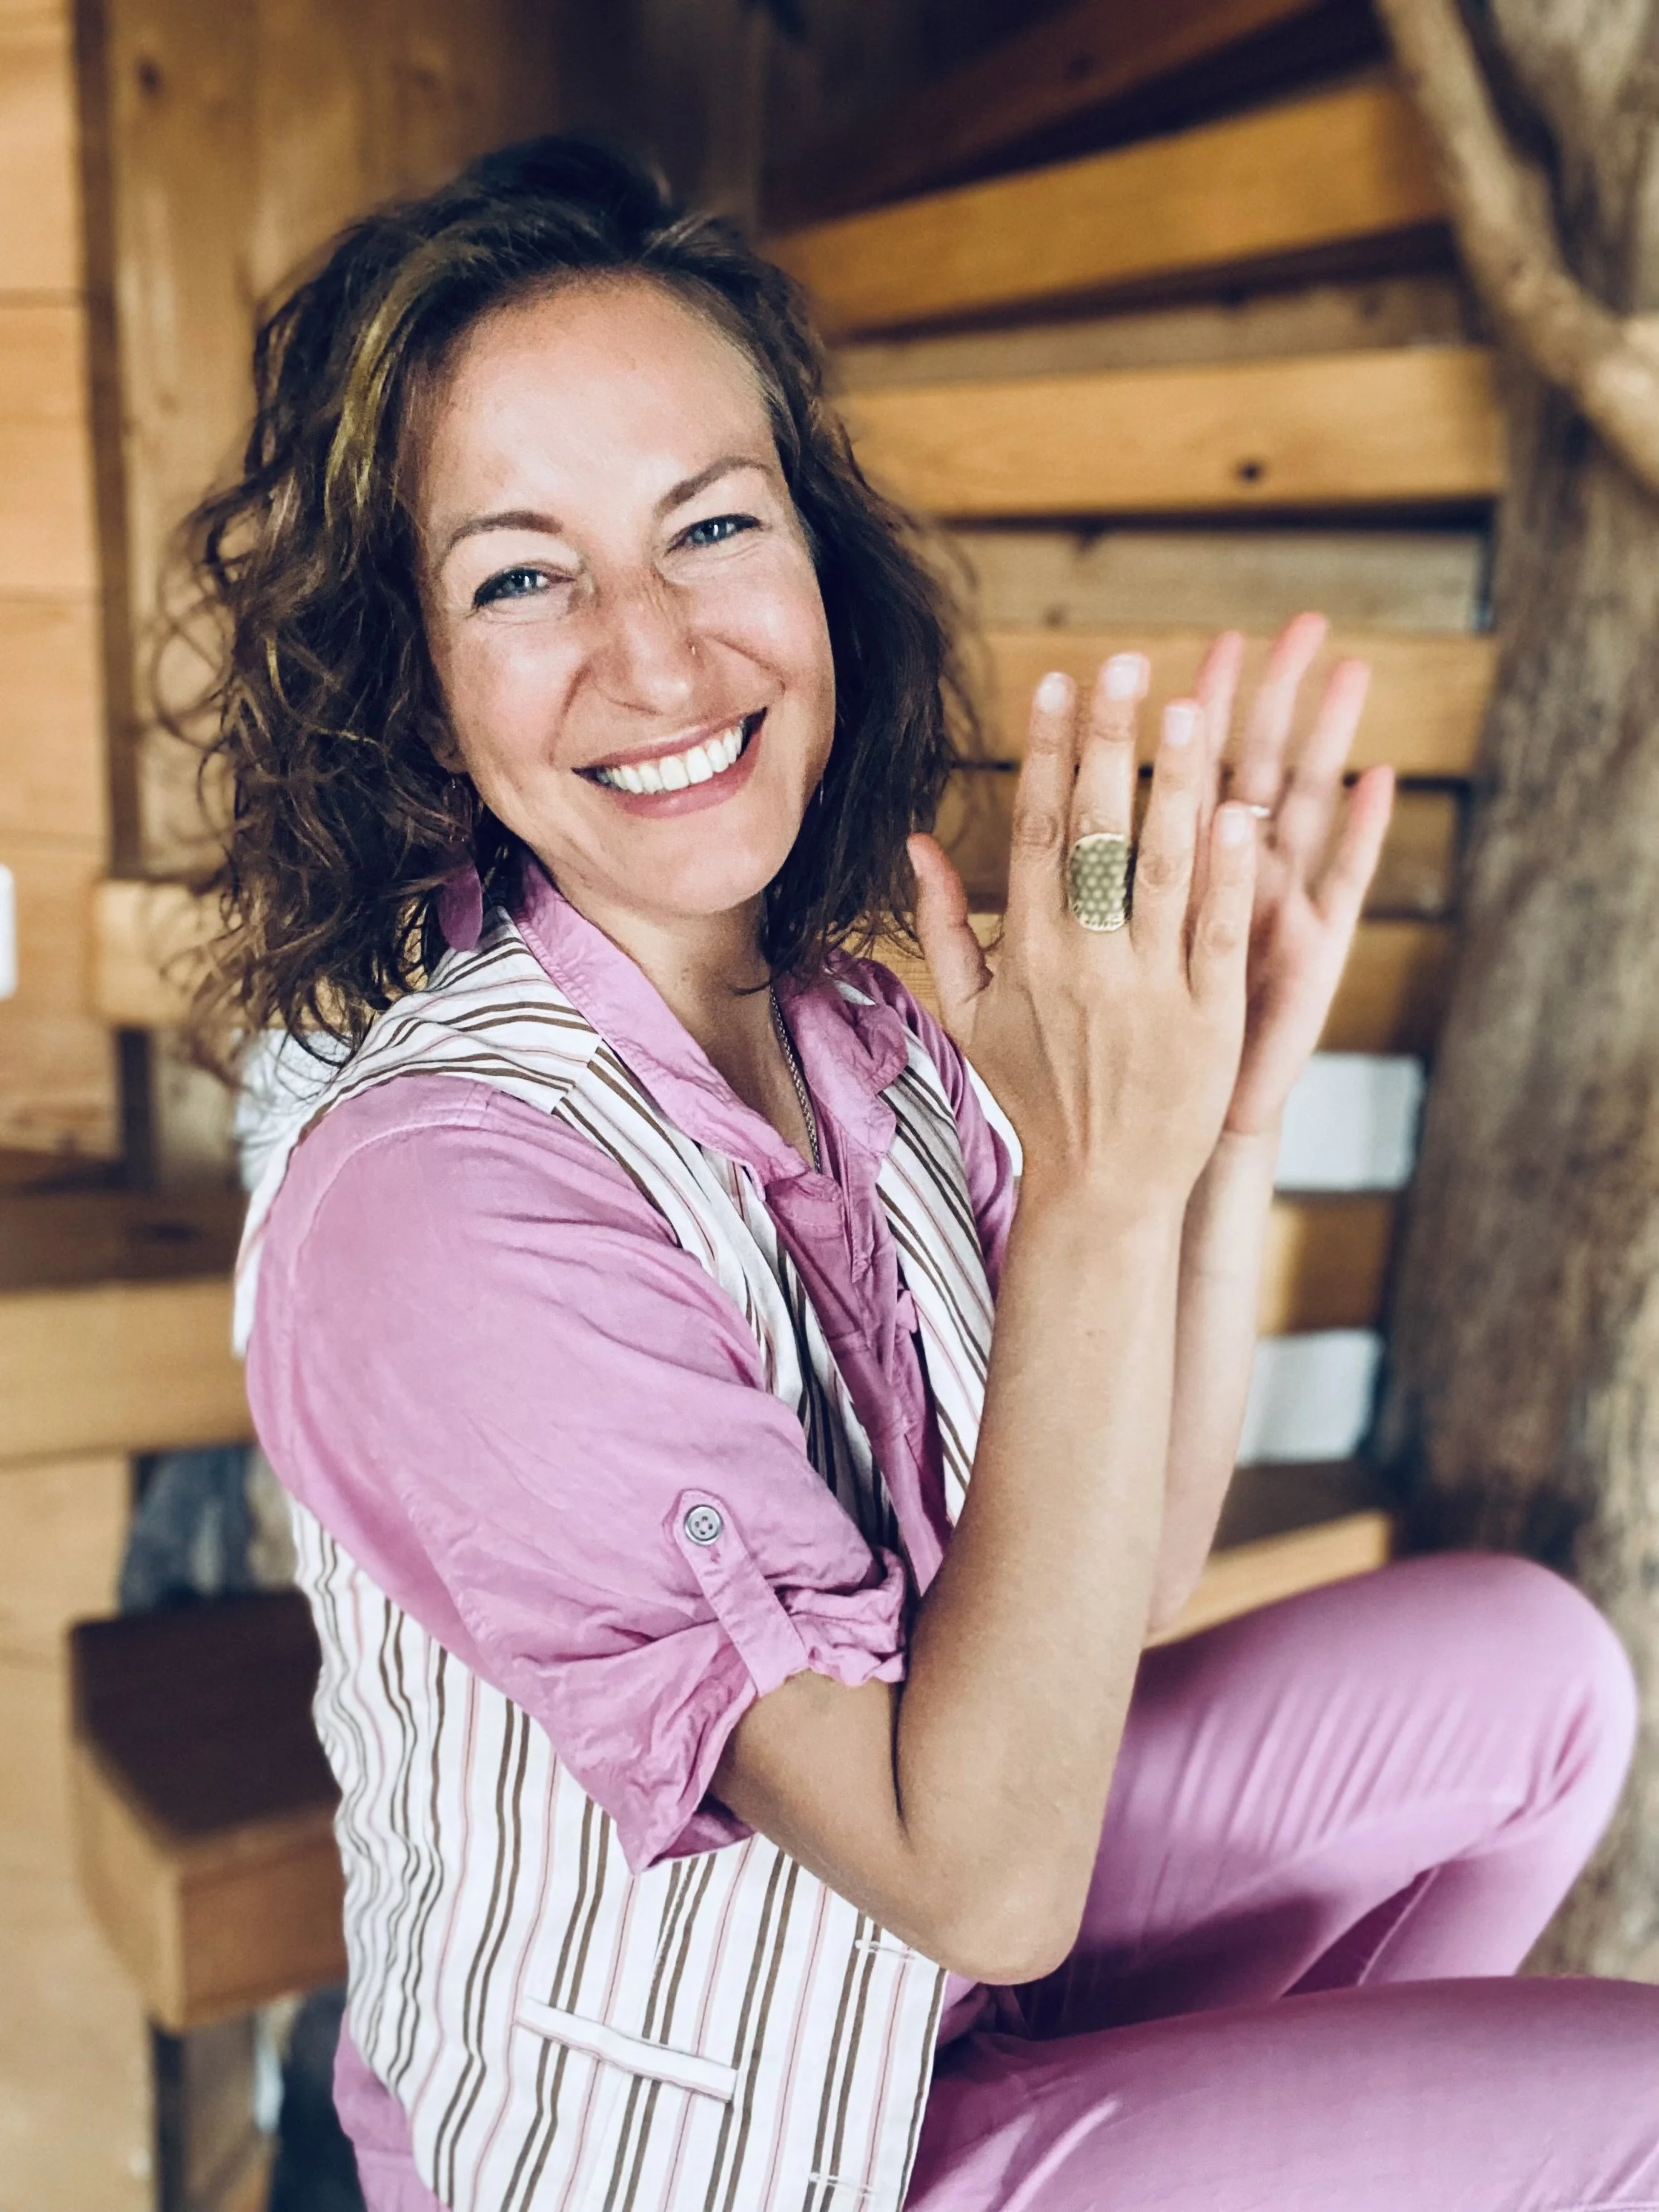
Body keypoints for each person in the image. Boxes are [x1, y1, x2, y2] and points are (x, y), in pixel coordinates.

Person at [193, 136, 1659, 2212]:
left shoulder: (857, 1030)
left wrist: (1217, 1123)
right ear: (420, 698)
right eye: (523, 577)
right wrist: (1097, 1199)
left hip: (928, 1987)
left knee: (1534, 1681)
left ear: (819, 568)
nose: (657, 655)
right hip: (718, 2156)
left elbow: (1129, 1573)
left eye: (712, 526)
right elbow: (977, 1877)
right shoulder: (437, 1208)